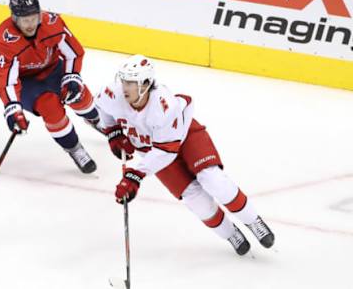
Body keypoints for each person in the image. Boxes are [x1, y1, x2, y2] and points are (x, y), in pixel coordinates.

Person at [95, 54, 275, 255]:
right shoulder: (113, 93)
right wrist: (113, 133)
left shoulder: (163, 107)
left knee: (213, 179)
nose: (124, 87)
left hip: (185, 137)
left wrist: (135, 175)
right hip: (153, 150)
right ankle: (230, 233)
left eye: (130, 82)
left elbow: (166, 151)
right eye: (123, 80)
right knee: (194, 198)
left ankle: (252, 221)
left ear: (145, 84)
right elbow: (103, 108)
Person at [0, 0, 100, 173]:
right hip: (26, 82)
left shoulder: (52, 23)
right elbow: (5, 79)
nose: (30, 24)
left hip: (53, 68)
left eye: (33, 18)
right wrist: (13, 109)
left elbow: (73, 52)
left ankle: (95, 118)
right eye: (25, 20)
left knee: (78, 94)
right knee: (50, 108)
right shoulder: (4, 40)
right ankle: (74, 148)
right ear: (15, 19)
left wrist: (72, 76)